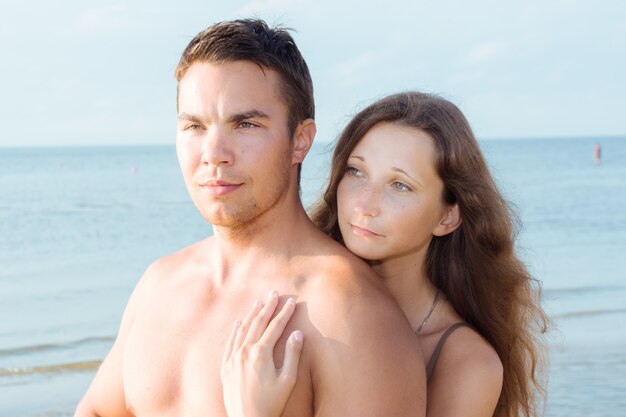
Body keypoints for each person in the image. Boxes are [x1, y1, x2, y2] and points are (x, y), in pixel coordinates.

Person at [74, 20, 427, 417]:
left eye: (245, 124)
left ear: (300, 140)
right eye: (194, 126)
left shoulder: (348, 313)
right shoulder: (159, 284)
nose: (214, 152)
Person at [221, 92, 548, 417]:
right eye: (356, 172)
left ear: (447, 216)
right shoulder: (286, 304)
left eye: (400, 186)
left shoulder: (465, 362)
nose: (364, 204)